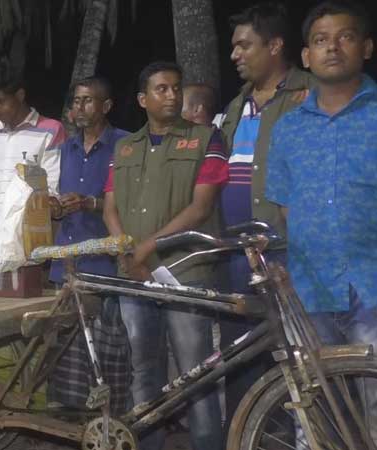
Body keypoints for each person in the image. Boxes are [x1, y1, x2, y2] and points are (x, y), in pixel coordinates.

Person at [103, 61, 228, 450]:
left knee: (196, 373)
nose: (172, 95)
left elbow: (201, 208)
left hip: (185, 270)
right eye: (162, 89)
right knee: (144, 371)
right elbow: (110, 207)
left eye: (176, 88)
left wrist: (148, 247)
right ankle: (148, 442)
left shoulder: (207, 138)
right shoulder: (124, 147)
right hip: (134, 275)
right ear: (143, 99)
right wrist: (126, 248)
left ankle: (207, 444)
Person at [266, 1, 377, 434]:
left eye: (345, 37)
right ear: (306, 55)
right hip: (309, 290)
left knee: (376, 410)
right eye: (320, 40)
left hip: (373, 287)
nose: (332, 47)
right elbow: (285, 208)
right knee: (315, 416)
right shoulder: (288, 128)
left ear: (366, 47)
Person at [217, 2, 314, 430]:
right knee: (242, 358)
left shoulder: (308, 94)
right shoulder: (236, 105)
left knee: (299, 357)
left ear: (274, 46)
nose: (235, 54)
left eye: (244, 45)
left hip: (287, 252)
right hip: (238, 255)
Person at [46, 76, 130, 414]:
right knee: (67, 352)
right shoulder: (64, 149)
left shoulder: (125, 145)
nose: (79, 107)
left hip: (105, 263)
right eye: (76, 101)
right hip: (66, 263)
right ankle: (71, 422)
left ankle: (113, 420)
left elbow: (131, 202)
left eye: (88, 100)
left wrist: (90, 203)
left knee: (110, 351)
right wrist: (54, 208)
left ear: (106, 106)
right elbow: (52, 197)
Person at [0, 58, 66, 250]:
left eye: (0, 102)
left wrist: (9, 237)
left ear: (20, 95)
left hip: (27, 243)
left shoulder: (51, 131)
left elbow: (50, 192)